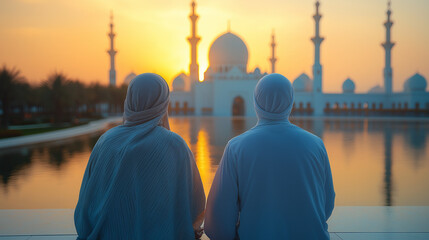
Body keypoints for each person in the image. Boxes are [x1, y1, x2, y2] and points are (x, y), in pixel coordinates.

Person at [74, 73, 205, 240]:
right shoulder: (175, 145)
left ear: (129, 100)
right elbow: (195, 205)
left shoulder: (105, 141)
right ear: (164, 104)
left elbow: (87, 202)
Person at [204, 73, 335, 240]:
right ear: (291, 102)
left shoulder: (236, 148)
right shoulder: (316, 144)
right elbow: (327, 203)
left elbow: (217, 219)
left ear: (256, 102)